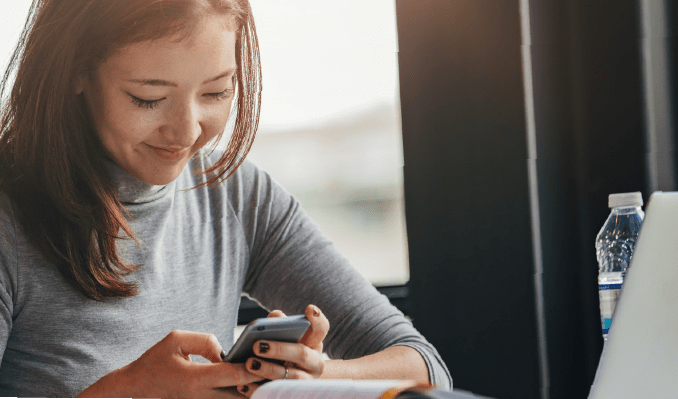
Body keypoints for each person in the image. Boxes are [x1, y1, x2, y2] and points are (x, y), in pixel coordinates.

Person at [0, 0, 452, 397]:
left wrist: (312, 380)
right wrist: (123, 393)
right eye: (147, 98)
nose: (187, 131)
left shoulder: (235, 194)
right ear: (74, 70)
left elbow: (425, 370)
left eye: (216, 92)